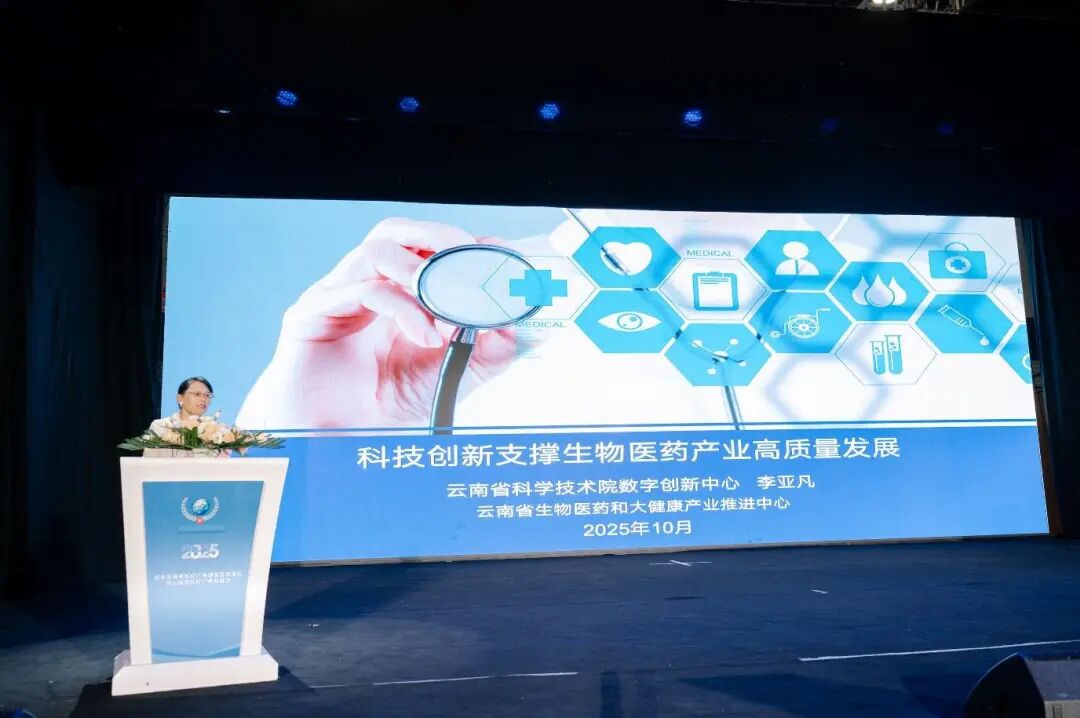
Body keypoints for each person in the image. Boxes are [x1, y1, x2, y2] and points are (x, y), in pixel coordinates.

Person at [145, 377, 216, 456]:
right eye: (197, 394)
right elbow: (150, 460)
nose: (203, 399)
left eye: (207, 395)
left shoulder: (213, 430)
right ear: (180, 398)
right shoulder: (161, 426)